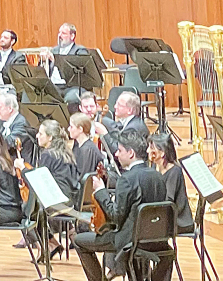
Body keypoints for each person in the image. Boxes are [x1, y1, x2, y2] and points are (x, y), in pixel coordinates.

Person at [72, 130, 169, 281]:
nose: (116, 154)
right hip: (155, 238)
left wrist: (101, 191)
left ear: (131, 153)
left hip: (129, 240)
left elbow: (116, 217)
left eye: (119, 150)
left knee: (79, 240)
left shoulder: (127, 179)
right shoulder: (157, 175)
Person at [147, 133, 192, 236]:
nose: (148, 151)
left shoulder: (175, 171)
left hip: (178, 221)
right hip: (162, 216)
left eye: (151, 148)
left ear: (162, 153)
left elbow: (168, 200)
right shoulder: (154, 167)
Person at [39, 22, 92, 106]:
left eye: (63, 33)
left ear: (72, 36)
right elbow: (42, 71)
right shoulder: (54, 50)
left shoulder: (80, 51)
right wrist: (44, 61)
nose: (59, 36)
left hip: (72, 87)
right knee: (35, 95)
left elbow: (77, 71)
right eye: (59, 33)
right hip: (54, 86)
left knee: (71, 99)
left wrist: (56, 60)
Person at [70, 112, 105, 178]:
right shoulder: (77, 144)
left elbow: (84, 177)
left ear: (80, 129)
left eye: (71, 127)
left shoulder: (88, 150)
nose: (68, 129)